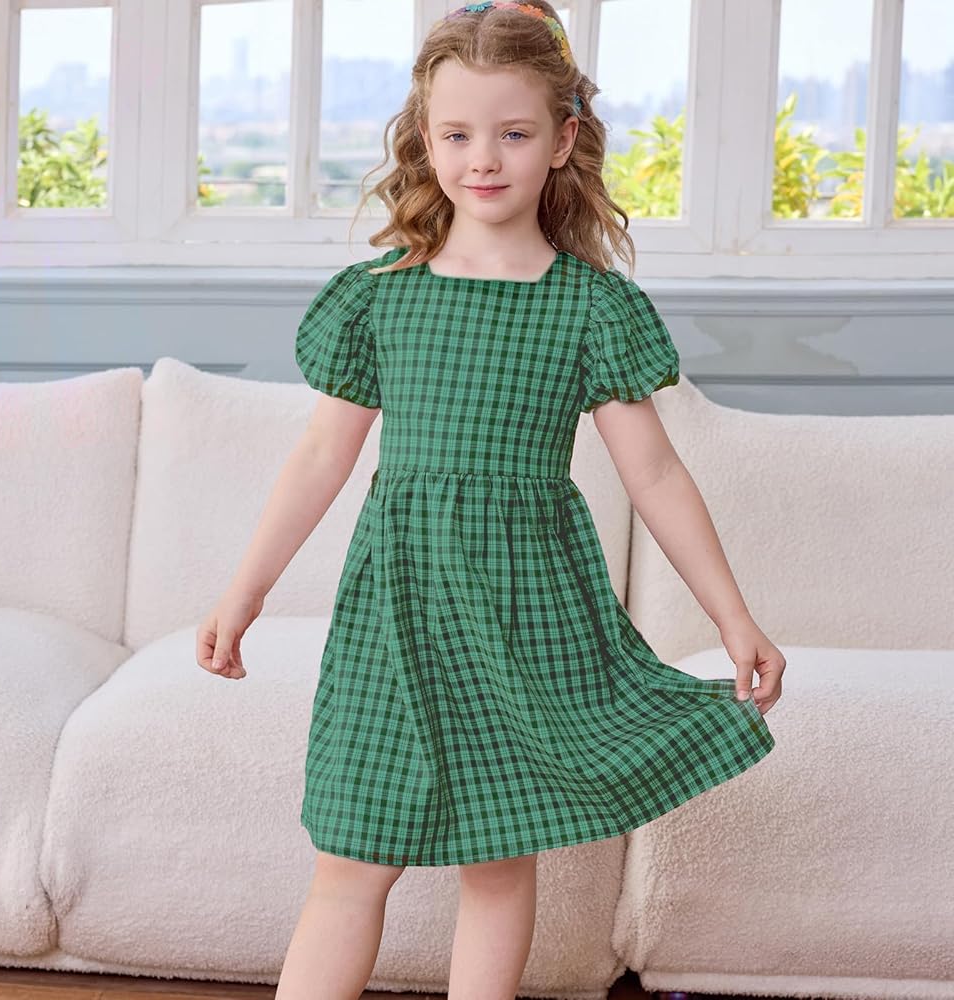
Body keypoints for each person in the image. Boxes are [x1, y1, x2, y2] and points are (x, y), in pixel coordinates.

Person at [196, 2, 787, 997]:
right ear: (424, 141)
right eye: (458, 134)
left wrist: (735, 619)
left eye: (513, 133)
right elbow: (320, 456)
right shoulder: (380, 298)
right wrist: (243, 591)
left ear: (561, 140)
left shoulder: (592, 307)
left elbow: (654, 474)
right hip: (397, 610)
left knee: (499, 858)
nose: (483, 159)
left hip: (526, 611)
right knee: (351, 855)